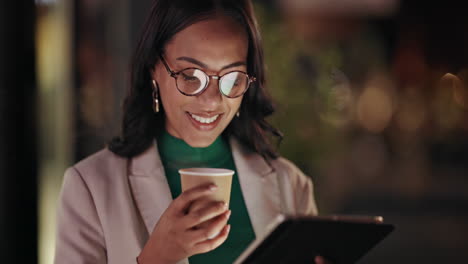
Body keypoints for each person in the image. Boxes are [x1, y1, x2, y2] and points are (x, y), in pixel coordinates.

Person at [54, 0, 330, 263]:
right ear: (154, 69)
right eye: (190, 76)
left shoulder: (291, 185)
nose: (212, 101)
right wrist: (156, 259)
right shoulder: (90, 188)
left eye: (232, 78)